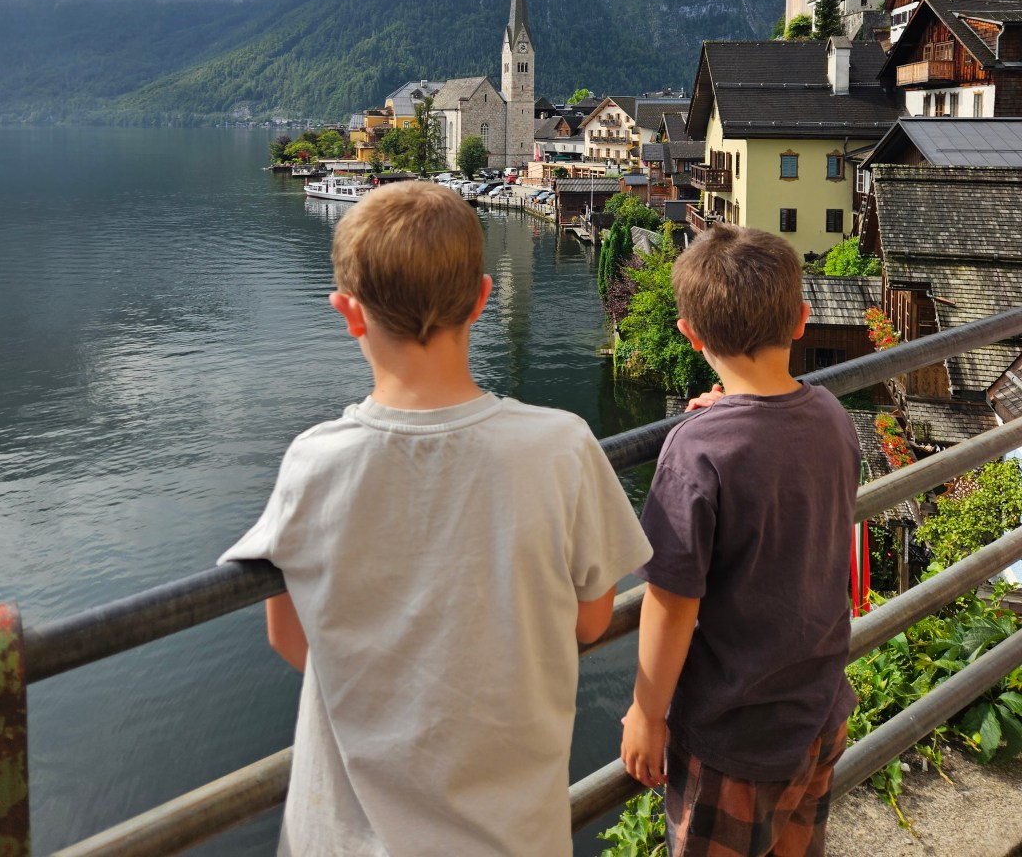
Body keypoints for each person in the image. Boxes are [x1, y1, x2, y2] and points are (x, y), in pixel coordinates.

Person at [220, 181, 651, 857]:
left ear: (348, 313)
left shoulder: (315, 461)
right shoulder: (563, 448)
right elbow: (592, 621)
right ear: (482, 299)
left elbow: (289, 638)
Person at [620, 223, 860, 857]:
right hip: (818, 709)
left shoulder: (698, 448)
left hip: (737, 738)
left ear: (691, 336)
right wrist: (732, 406)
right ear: (803, 319)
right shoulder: (833, 417)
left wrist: (646, 713)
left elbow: (671, 601)